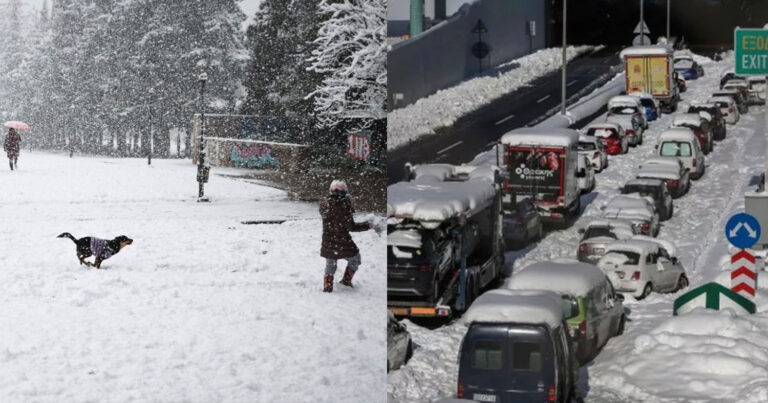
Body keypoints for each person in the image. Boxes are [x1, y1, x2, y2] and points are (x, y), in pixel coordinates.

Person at [319, 180, 372, 293]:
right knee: (355, 259)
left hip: (328, 240)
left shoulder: (325, 203)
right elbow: (351, 227)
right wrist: (368, 225)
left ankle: (328, 286)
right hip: (343, 241)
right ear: (344, 192)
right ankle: (346, 281)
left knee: (331, 263)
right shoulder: (344, 206)